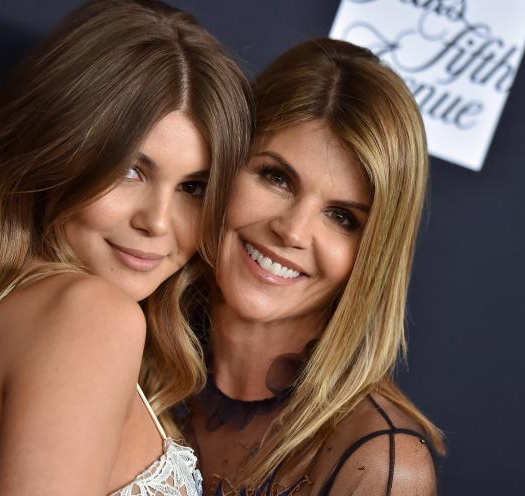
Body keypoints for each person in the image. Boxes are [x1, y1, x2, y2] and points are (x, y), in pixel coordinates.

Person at [0, 1, 252, 494]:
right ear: (56, 154)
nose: (157, 221)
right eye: (129, 170)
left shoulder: (18, 310)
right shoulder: (93, 316)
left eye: (194, 188)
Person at [174, 39, 445, 495]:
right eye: (276, 177)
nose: (293, 231)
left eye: (342, 217)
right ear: (225, 163)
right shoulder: (130, 347)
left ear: (375, 254)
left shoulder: (379, 462)